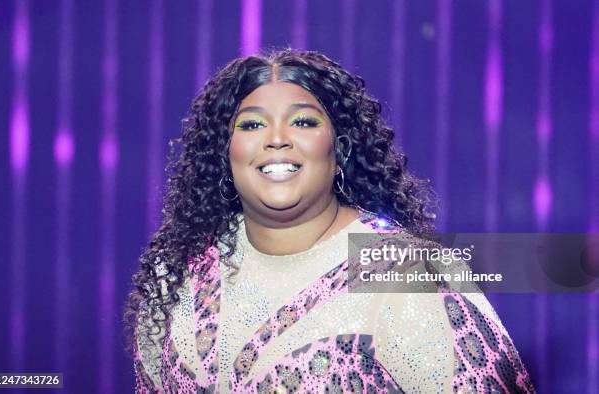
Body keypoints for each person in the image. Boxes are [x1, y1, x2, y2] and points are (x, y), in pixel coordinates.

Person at [126, 49, 535, 393]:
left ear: (339, 149)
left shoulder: (408, 272)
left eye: (303, 121)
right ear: (225, 152)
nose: (276, 138)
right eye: (251, 124)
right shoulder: (179, 273)